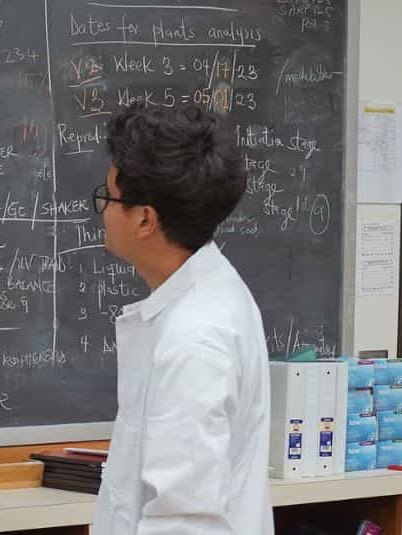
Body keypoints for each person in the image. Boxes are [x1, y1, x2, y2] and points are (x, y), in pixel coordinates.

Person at [90, 102, 272, 534]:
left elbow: (185, 520)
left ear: (145, 219)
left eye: (108, 197)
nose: (104, 210)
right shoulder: (212, 291)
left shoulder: (194, 339)